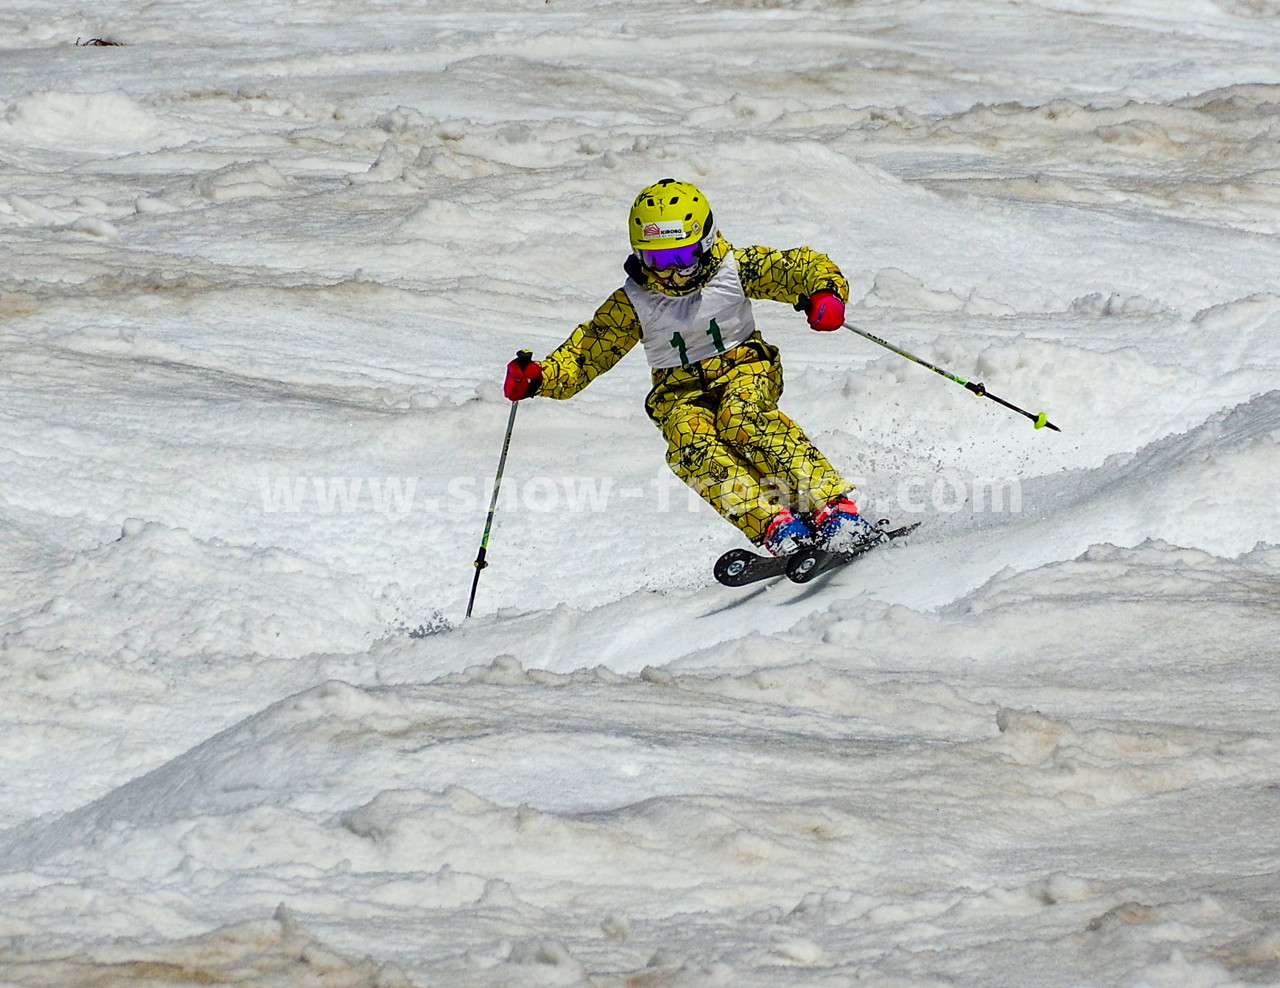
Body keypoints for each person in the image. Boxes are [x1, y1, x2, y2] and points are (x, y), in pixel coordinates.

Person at [503, 178, 873, 557]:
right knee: (689, 443)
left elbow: (797, 268)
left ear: (706, 242)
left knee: (741, 418)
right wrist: (541, 377)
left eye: (682, 258)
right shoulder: (633, 302)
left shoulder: (735, 269)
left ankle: (831, 508)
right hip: (677, 392)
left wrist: (824, 292)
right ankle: (775, 522)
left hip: (743, 367)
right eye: (658, 261)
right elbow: (588, 352)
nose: (670, 274)